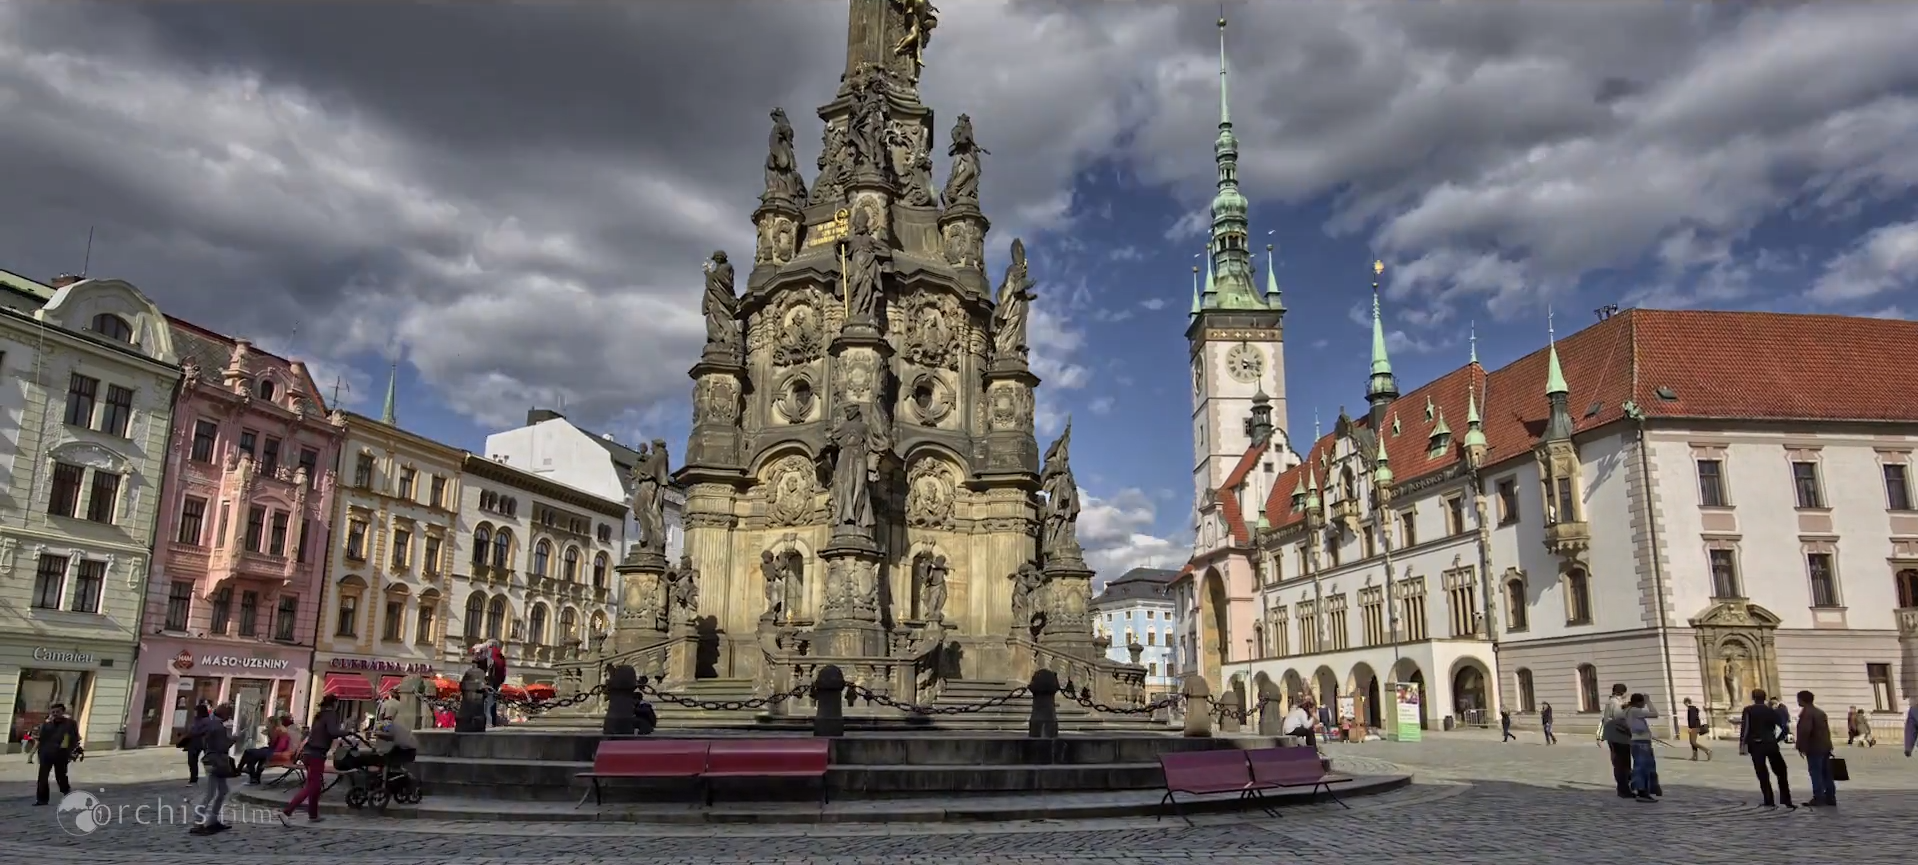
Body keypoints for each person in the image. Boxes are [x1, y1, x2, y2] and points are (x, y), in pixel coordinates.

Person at [279, 695, 346, 825]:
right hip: (317, 753)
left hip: (308, 752)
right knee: (313, 785)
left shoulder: (319, 715)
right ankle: (287, 811)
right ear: (334, 703)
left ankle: (313, 814)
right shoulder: (331, 714)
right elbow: (333, 732)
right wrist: (347, 732)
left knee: (314, 785)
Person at [1740, 688, 1795, 809]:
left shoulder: (1748, 710)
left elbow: (1745, 728)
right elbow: (1784, 727)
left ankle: (1769, 799)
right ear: (1765, 698)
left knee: (1762, 773)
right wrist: (1777, 739)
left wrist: (1742, 746)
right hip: (1771, 744)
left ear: (1753, 698)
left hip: (1756, 745)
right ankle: (1786, 799)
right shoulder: (1771, 711)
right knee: (1781, 771)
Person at [189, 702, 237, 834]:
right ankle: (198, 822)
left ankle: (212, 820)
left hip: (211, 759)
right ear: (225, 713)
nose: (229, 717)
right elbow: (222, 746)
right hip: (216, 761)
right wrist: (233, 739)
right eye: (229, 714)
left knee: (222, 790)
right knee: (210, 793)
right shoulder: (218, 726)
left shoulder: (208, 722)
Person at [30, 703, 80, 806]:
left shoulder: (70, 723)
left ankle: (66, 792)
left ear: (63, 712)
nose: (55, 714)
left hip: (61, 754)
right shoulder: (46, 724)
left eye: (58, 712)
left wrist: (71, 751)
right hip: (46, 754)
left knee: (61, 776)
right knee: (42, 777)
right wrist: (38, 754)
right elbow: (39, 738)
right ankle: (42, 800)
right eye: (53, 712)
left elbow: (74, 738)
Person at [1794, 690, 1835, 807]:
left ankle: (1818, 797)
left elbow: (1805, 731)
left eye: (1798, 699)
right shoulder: (1820, 712)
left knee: (1816, 773)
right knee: (1826, 773)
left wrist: (1800, 746)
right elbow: (1826, 731)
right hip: (1825, 746)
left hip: (1814, 747)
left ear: (1802, 700)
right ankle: (1830, 797)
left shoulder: (1807, 713)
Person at [1600, 683, 1634, 798]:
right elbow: (1620, 718)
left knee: (1620, 763)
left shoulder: (1612, 702)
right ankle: (1624, 790)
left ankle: (1624, 787)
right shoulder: (1614, 703)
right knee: (1622, 764)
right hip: (1619, 737)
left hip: (1614, 736)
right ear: (1622, 692)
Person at [1625, 693, 1661, 802]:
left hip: (1637, 740)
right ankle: (1641, 791)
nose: (1644, 705)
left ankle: (1644, 789)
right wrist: (1649, 701)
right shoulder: (1635, 710)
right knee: (1643, 767)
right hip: (1641, 742)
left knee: (1643, 765)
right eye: (1643, 703)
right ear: (1639, 702)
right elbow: (1655, 714)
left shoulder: (1628, 710)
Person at [240, 717, 293, 785]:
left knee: (249, 752)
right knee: (252, 754)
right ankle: (253, 776)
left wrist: (270, 736)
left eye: (268, 723)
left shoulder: (279, 731)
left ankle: (243, 770)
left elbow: (280, 746)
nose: (266, 724)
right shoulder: (277, 730)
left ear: (272, 723)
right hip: (273, 750)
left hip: (276, 752)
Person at [178, 701, 210, 785]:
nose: (195, 713)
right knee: (191, 761)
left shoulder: (206, 720)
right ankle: (193, 778)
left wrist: (193, 733)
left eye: (196, 711)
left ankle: (198, 778)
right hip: (193, 742)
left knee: (204, 760)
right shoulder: (196, 719)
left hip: (201, 742)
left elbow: (201, 731)